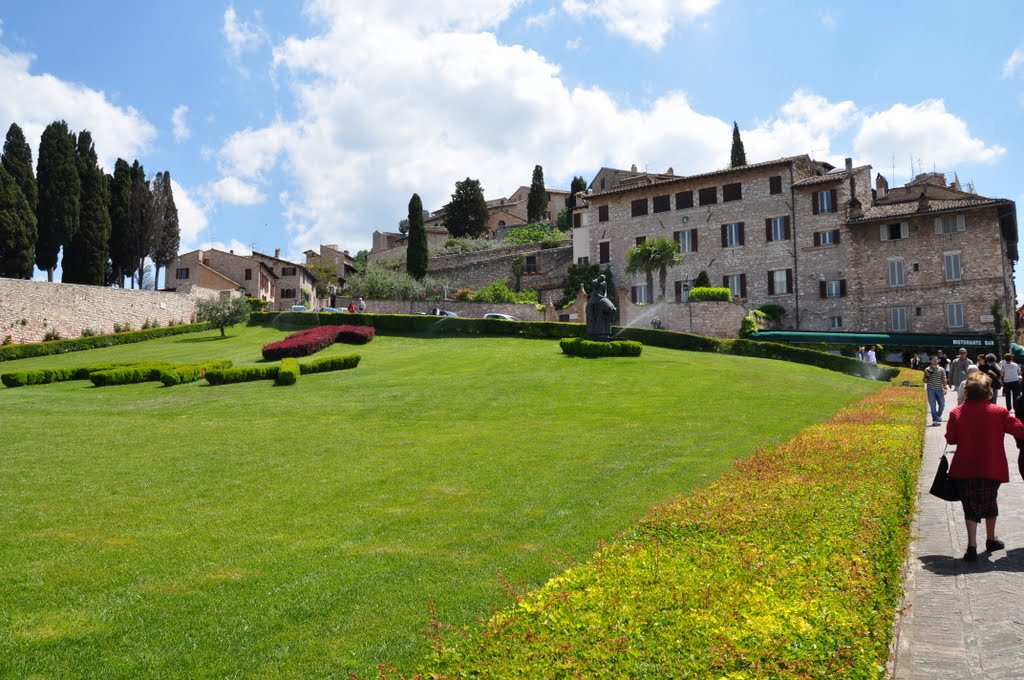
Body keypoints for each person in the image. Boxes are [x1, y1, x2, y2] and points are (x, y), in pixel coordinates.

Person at [945, 371, 1024, 561]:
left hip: (965, 466)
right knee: (990, 501)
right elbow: (1020, 431)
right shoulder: (999, 412)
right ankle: (990, 539)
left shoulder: (956, 412)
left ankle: (971, 546)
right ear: (988, 391)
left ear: (968, 391)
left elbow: (951, 439)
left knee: (969, 505)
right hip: (991, 466)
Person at [924, 355, 948, 426]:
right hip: (930, 389)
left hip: (939, 389)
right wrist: (927, 376)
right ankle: (935, 420)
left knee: (942, 404)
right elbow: (924, 381)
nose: (935, 361)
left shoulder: (941, 369)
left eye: (936, 359)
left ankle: (938, 416)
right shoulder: (927, 369)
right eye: (933, 359)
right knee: (933, 405)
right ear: (930, 361)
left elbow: (944, 379)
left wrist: (945, 387)